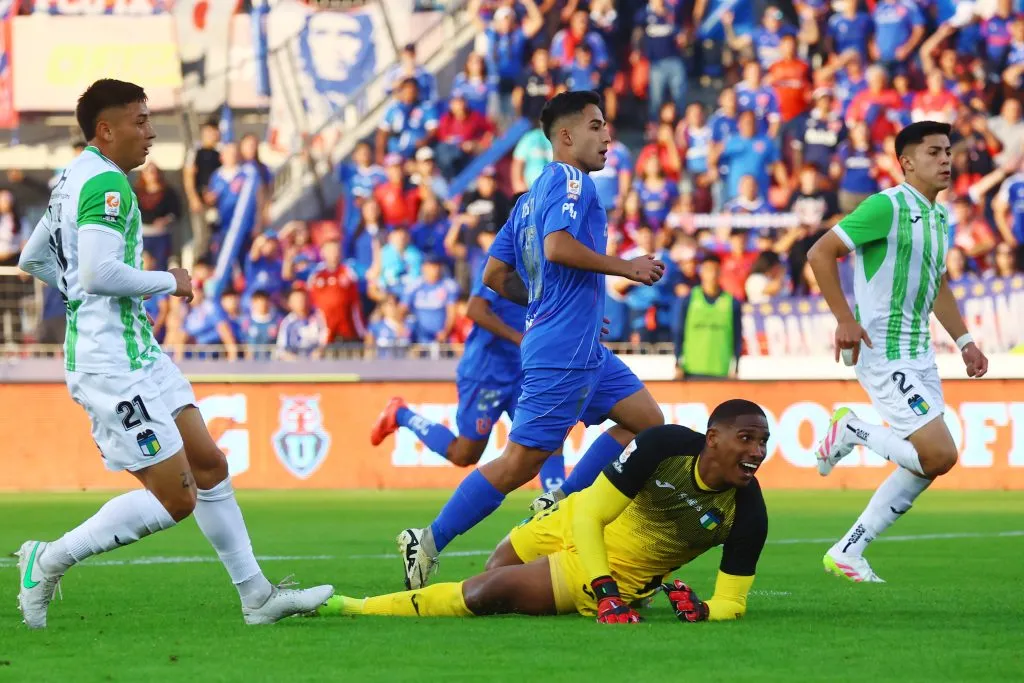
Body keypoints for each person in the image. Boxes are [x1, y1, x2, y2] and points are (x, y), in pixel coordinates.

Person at [15, 79, 332, 629]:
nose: (150, 132)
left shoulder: (72, 179)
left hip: (139, 351)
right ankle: (46, 560)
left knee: (209, 465)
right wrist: (171, 279)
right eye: (138, 121)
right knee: (177, 499)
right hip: (110, 363)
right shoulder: (106, 186)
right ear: (105, 130)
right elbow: (96, 272)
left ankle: (256, 596)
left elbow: (34, 255)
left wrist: (76, 299)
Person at [394, 90, 667, 591]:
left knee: (648, 424)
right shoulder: (569, 180)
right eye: (596, 126)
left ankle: (559, 503)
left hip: (580, 346)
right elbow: (558, 247)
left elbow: (497, 275)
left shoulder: (525, 201)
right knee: (519, 462)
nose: (608, 135)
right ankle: (427, 539)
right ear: (566, 136)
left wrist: (560, 303)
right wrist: (623, 268)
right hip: (562, 352)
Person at [315, 400, 769, 624]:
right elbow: (591, 514)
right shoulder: (664, 445)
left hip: (619, 566)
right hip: (576, 519)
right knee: (500, 567)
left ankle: (353, 606)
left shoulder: (748, 511)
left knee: (482, 593)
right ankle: (616, 592)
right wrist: (605, 589)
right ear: (713, 438)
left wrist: (706, 610)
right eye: (746, 438)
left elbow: (733, 600)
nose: (757, 451)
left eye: (763, 442)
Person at [807, 120, 989, 583]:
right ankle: (849, 428)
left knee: (929, 462)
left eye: (948, 151)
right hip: (883, 351)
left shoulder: (938, 214)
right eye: (933, 152)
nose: (946, 159)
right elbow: (820, 253)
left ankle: (849, 551)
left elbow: (937, 282)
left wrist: (965, 341)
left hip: (920, 353)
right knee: (940, 454)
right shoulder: (885, 206)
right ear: (907, 162)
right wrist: (844, 319)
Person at [369, 261, 566, 491]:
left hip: (523, 371)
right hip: (485, 374)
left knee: (548, 438)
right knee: (464, 454)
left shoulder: (545, 261)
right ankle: (400, 414)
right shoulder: (505, 257)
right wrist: (519, 339)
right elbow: (474, 310)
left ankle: (556, 509)